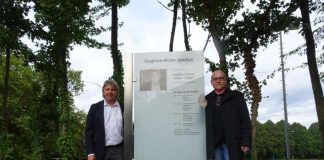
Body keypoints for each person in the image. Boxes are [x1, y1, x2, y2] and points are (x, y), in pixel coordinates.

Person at [205, 69, 251, 160]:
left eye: (221, 78)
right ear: (211, 82)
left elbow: (245, 120)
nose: (218, 81)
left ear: (226, 80)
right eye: (215, 79)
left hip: (233, 143)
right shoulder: (207, 99)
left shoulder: (237, 97)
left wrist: (246, 141)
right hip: (215, 145)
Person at [85, 80, 124, 160]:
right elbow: (89, 132)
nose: (110, 92)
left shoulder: (124, 107)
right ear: (103, 91)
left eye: (113, 89)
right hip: (99, 150)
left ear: (117, 92)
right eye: (107, 89)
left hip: (119, 150)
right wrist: (90, 152)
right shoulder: (94, 108)